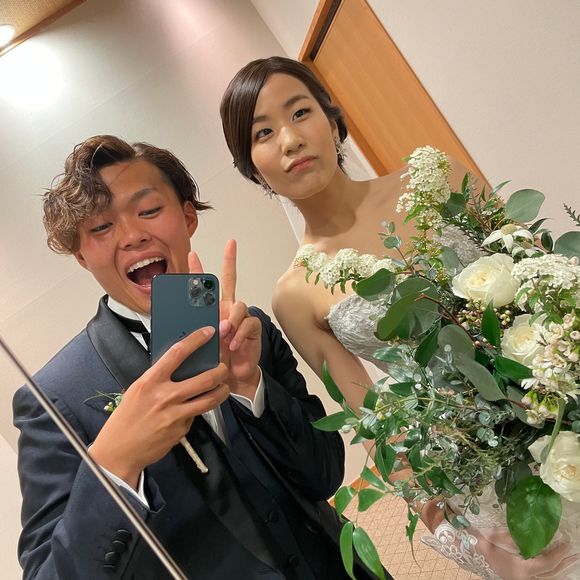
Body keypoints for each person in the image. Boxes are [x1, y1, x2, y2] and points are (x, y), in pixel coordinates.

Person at [220, 56, 579, 579]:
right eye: (263, 133)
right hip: (487, 472)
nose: (290, 140)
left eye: (299, 113)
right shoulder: (295, 294)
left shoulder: (437, 179)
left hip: (563, 397)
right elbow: (373, 422)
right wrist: (449, 527)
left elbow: (537, 275)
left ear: (332, 120)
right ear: (252, 167)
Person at [12, 135, 383, 580]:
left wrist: (251, 387)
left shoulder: (251, 329)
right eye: (101, 227)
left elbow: (326, 475)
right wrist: (115, 464)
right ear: (80, 255)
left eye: (149, 210)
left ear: (188, 217)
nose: (132, 235)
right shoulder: (53, 397)